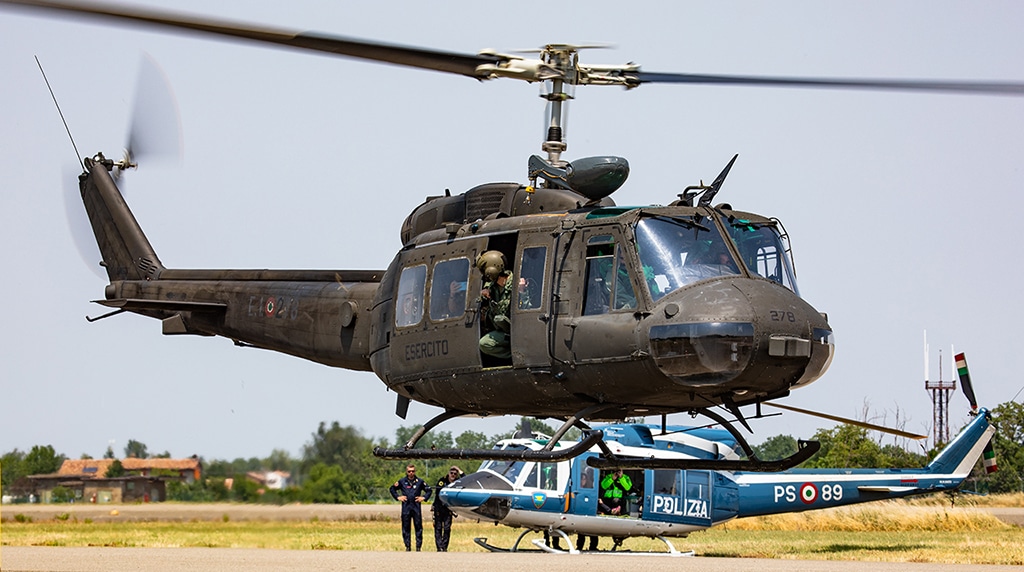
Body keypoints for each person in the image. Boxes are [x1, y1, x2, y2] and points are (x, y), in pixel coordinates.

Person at [477, 250, 514, 359]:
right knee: (484, 343)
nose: (485, 276)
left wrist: (523, 292)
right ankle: (513, 355)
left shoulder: (516, 283)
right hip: (504, 331)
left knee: (499, 319)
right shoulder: (492, 287)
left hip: (518, 329)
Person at [389, 464, 432, 551]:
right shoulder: (402, 481)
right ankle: (407, 546)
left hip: (416, 507)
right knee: (406, 527)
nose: (411, 473)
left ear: (415, 471)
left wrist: (424, 498)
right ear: (407, 472)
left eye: (412, 471)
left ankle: (418, 547)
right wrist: (398, 497)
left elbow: (429, 490)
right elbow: (392, 489)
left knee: (418, 527)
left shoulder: (420, 481)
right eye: (409, 471)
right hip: (406, 507)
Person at [432, 465, 463, 552]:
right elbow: (437, 494)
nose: (453, 475)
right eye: (451, 473)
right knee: (438, 528)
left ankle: (444, 546)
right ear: (448, 473)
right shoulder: (442, 481)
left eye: (455, 474)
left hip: (449, 508)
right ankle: (439, 547)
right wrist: (433, 506)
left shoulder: (457, 482)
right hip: (439, 507)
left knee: (447, 528)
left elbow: (466, 480)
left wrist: (459, 470)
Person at [599, 468, 632, 550]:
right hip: (608, 500)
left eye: (619, 471)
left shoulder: (626, 477)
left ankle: (617, 513)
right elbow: (603, 485)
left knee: (616, 501)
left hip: (618, 500)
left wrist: (621, 478)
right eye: (616, 471)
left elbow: (628, 487)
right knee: (602, 504)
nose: (617, 472)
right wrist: (612, 479)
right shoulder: (608, 477)